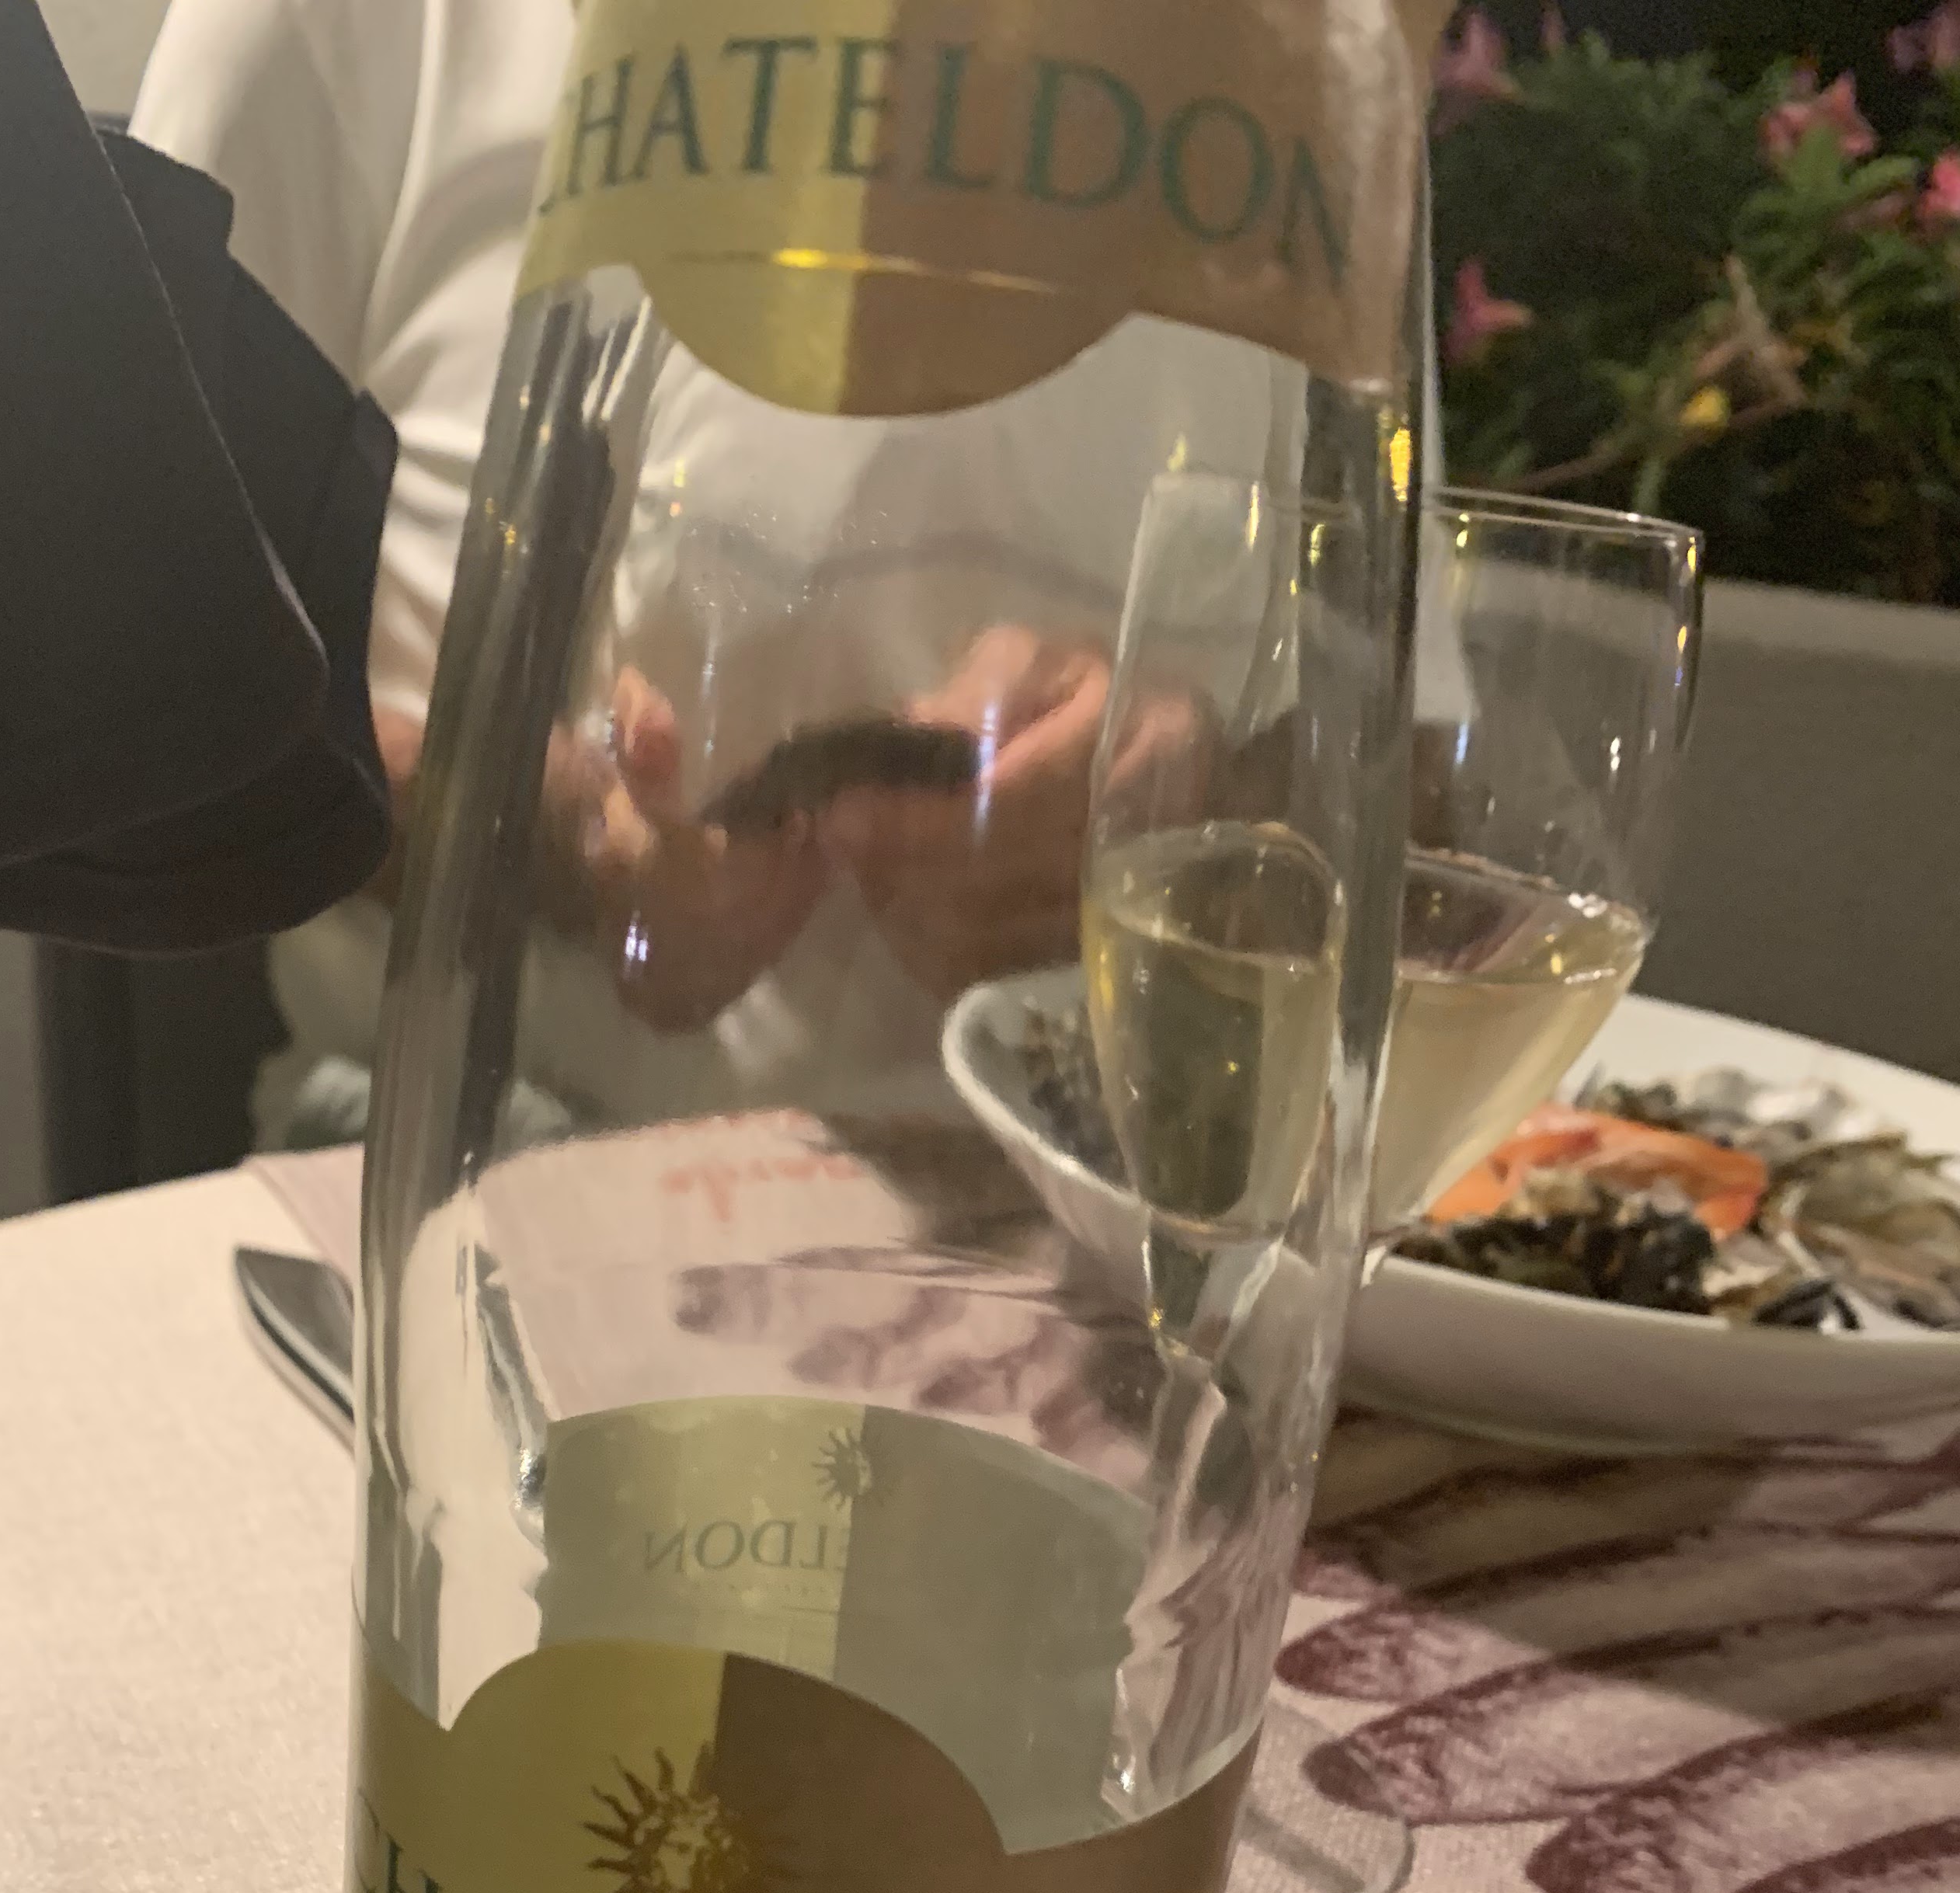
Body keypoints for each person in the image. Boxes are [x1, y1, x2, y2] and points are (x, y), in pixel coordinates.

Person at [131, 0, 1408, 1140]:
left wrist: (1189, 808)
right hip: (471, 1152)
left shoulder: (1306, 51)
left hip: (1110, 1200)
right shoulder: (335, 27)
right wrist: (552, 833)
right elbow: (134, 688)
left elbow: (1416, 788)